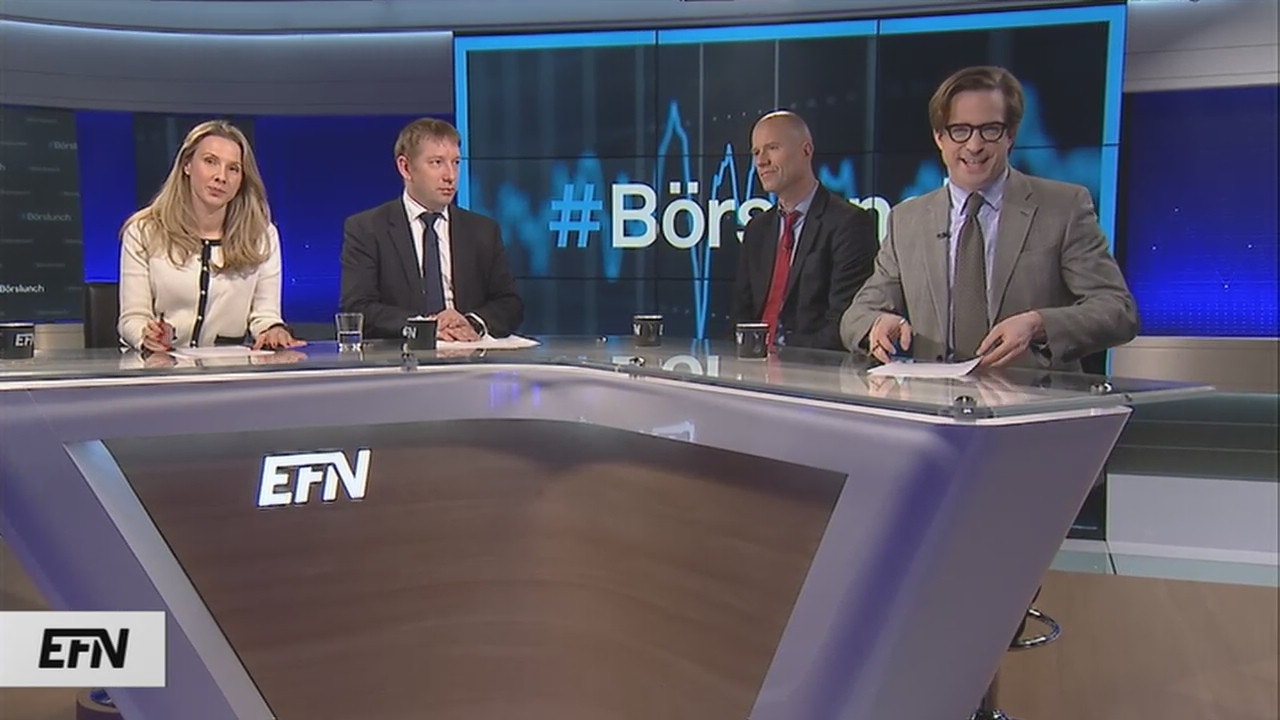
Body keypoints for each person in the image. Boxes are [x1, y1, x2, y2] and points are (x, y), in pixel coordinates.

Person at [840, 66, 1138, 371]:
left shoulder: (1064, 207)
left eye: (990, 130)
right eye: (960, 130)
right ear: (939, 137)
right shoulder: (907, 220)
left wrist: (1039, 325)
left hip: (1032, 397)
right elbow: (857, 315)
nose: (974, 145)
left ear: (1010, 135)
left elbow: (1118, 310)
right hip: (934, 398)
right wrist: (876, 324)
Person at [118, 120, 303, 353]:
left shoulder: (261, 236)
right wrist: (147, 335)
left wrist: (273, 330)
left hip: (228, 368)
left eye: (233, 168)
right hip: (157, 366)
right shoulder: (144, 231)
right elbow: (132, 318)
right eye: (210, 161)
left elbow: (265, 315)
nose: (221, 177)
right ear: (187, 165)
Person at [340, 118, 523, 340]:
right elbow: (358, 307)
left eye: (456, 162)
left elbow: (509, 304)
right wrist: (425, 327)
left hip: (468, 353)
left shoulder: (482, 230)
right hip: (402, 355)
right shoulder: (367, 229)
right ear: (406, 168)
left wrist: (471, 322)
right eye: (437, 163)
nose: (450, 176)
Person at [731, 111, 878, 351]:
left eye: (772, 148)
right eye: (756, 152)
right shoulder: (757, 230)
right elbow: (741, 316)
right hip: (752, 364)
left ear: (806, 150)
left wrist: (781, 354)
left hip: (812, 365)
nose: (761, 161)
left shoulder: (848, 224)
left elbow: (844, 322)